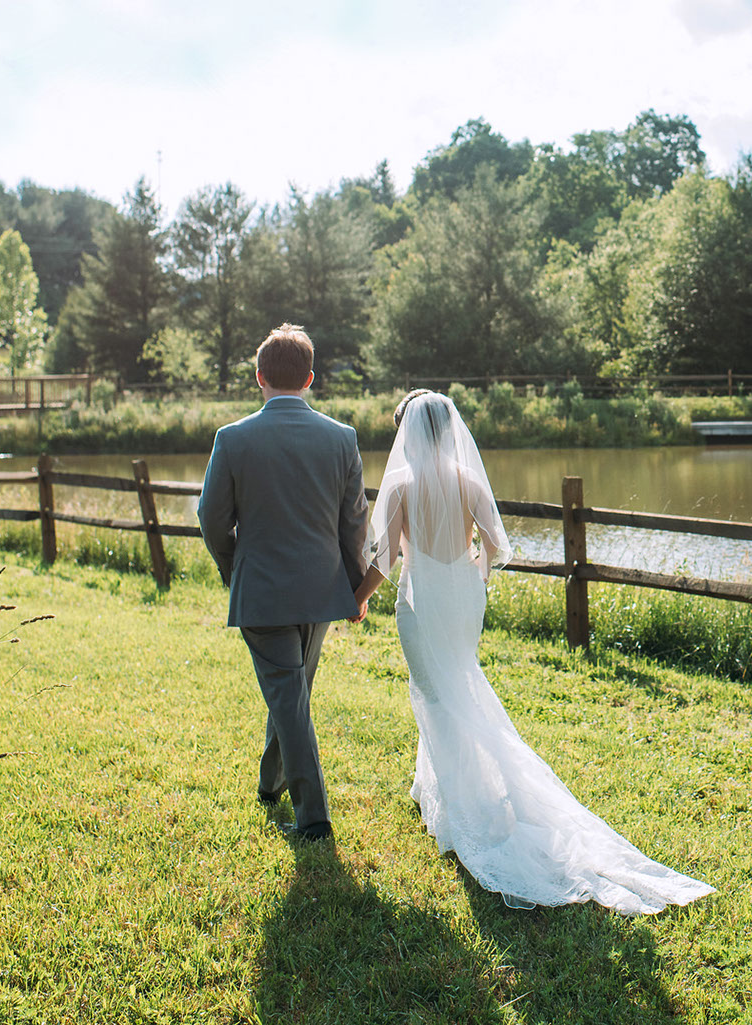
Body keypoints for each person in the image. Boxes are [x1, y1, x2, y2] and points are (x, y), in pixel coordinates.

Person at [352, 390, 715, 915]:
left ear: (408, 433)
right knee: (457, 681)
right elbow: (497, 544)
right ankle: (432, 789)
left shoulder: (402, 484)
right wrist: (473, 572)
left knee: (435, 692)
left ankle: (458, 808)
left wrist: (358, 600)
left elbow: (383, 560)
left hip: (423, 597)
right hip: (462, 594)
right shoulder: (469, 479)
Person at [197, 324, 369, 846]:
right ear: (310, 379)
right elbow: (355, 522)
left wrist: (236, 568)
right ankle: (271, 784)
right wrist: (354, 586)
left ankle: (313, 818)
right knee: (292, 694)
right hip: (321, 591)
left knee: (290, 696)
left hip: (264, 594)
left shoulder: (232, 439)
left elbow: (210, 518)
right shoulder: (342, 438)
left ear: (259, 377)